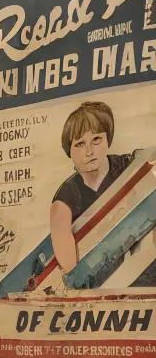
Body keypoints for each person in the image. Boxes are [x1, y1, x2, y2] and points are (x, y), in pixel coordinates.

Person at [49, 100, 133, 273]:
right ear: (69, 151)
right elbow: (71, 271)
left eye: (96, 139)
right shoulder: (65, 199)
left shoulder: (128, 165)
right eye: (80, 144)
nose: (89, 151)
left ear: (108, 140)